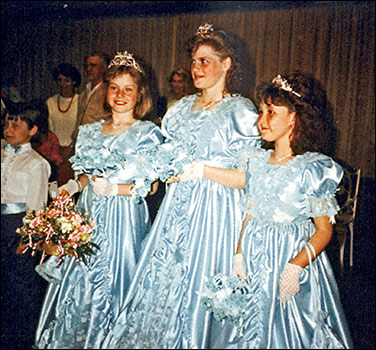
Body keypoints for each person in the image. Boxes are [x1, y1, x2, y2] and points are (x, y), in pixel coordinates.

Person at [102, 23, 261, 349]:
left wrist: (202, 170)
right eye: (193, 61)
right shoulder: (179, 111)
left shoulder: (241, 113)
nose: (196, 68)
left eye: (205, 60)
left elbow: (252, 179)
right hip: (175, 215)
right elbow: (160, 165)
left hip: (216, 219)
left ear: (226, 64)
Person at [207, 72, 353, 349]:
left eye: (271, 112)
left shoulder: (312, 168)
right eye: (261, 111)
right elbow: (249, 212)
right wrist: (239, 254)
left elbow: (324, 230)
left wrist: (295, 268)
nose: (261, 120)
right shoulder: (257, 162)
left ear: (294, 117)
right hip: (254, 258)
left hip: (290, 259)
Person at [34, 50, 164, 349]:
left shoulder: (147, 134)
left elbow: (152, 187)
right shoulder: (91, 132)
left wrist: (116, 190)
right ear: (106, 91)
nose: (120, 95)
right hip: (89, 215)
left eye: (128, 89)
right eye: (114, 88)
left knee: (118, 280)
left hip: (125, 219)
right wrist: (73, 186)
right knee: (82, 280)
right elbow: (86, 176)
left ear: (139, 94)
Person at [1, 102, 51, 349]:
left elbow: (37, 206)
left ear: (32, 130)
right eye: (7, 121)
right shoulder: (2, 153)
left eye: (16, 123)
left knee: (19, 287)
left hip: (16, 227)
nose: (9, 127)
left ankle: (21, 339)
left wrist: (28, 238)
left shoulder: (36, 163)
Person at [46, 63, 81, 186]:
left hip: (74, 152)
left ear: (74, 82)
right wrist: (54, 153)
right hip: (54, 153)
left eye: (67, 80)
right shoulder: (50, 102)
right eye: (60, 80)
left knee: (68, 191)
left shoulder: (80, 101)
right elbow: (49, 129)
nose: (63, 84)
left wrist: (71, 149)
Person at [72, 52, 112, 145]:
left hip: (99, 144)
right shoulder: (84, 92)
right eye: (87, 66)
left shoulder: (109, 92)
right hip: (80, 143)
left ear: (104, 68)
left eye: (93, 66)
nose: (89, 69)